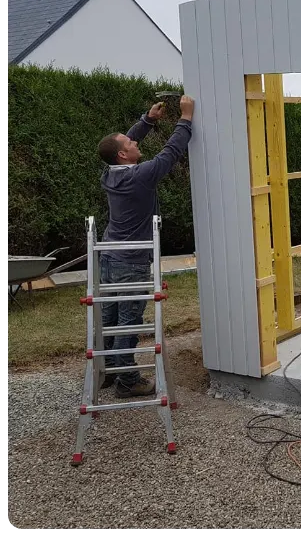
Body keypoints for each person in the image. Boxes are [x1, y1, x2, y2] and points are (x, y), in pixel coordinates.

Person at [95, 95, 195, 398]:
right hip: (131, 261)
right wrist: (186, 118)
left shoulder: (109, 174)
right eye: (130, 143)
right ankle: (128, 381)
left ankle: (108, 371)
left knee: (110, 318)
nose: (135, 141)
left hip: (108, 257)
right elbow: (171, 152)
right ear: (123, 155)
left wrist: (148, 120)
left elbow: (125, 143)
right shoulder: (141, 176)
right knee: (128, 321)